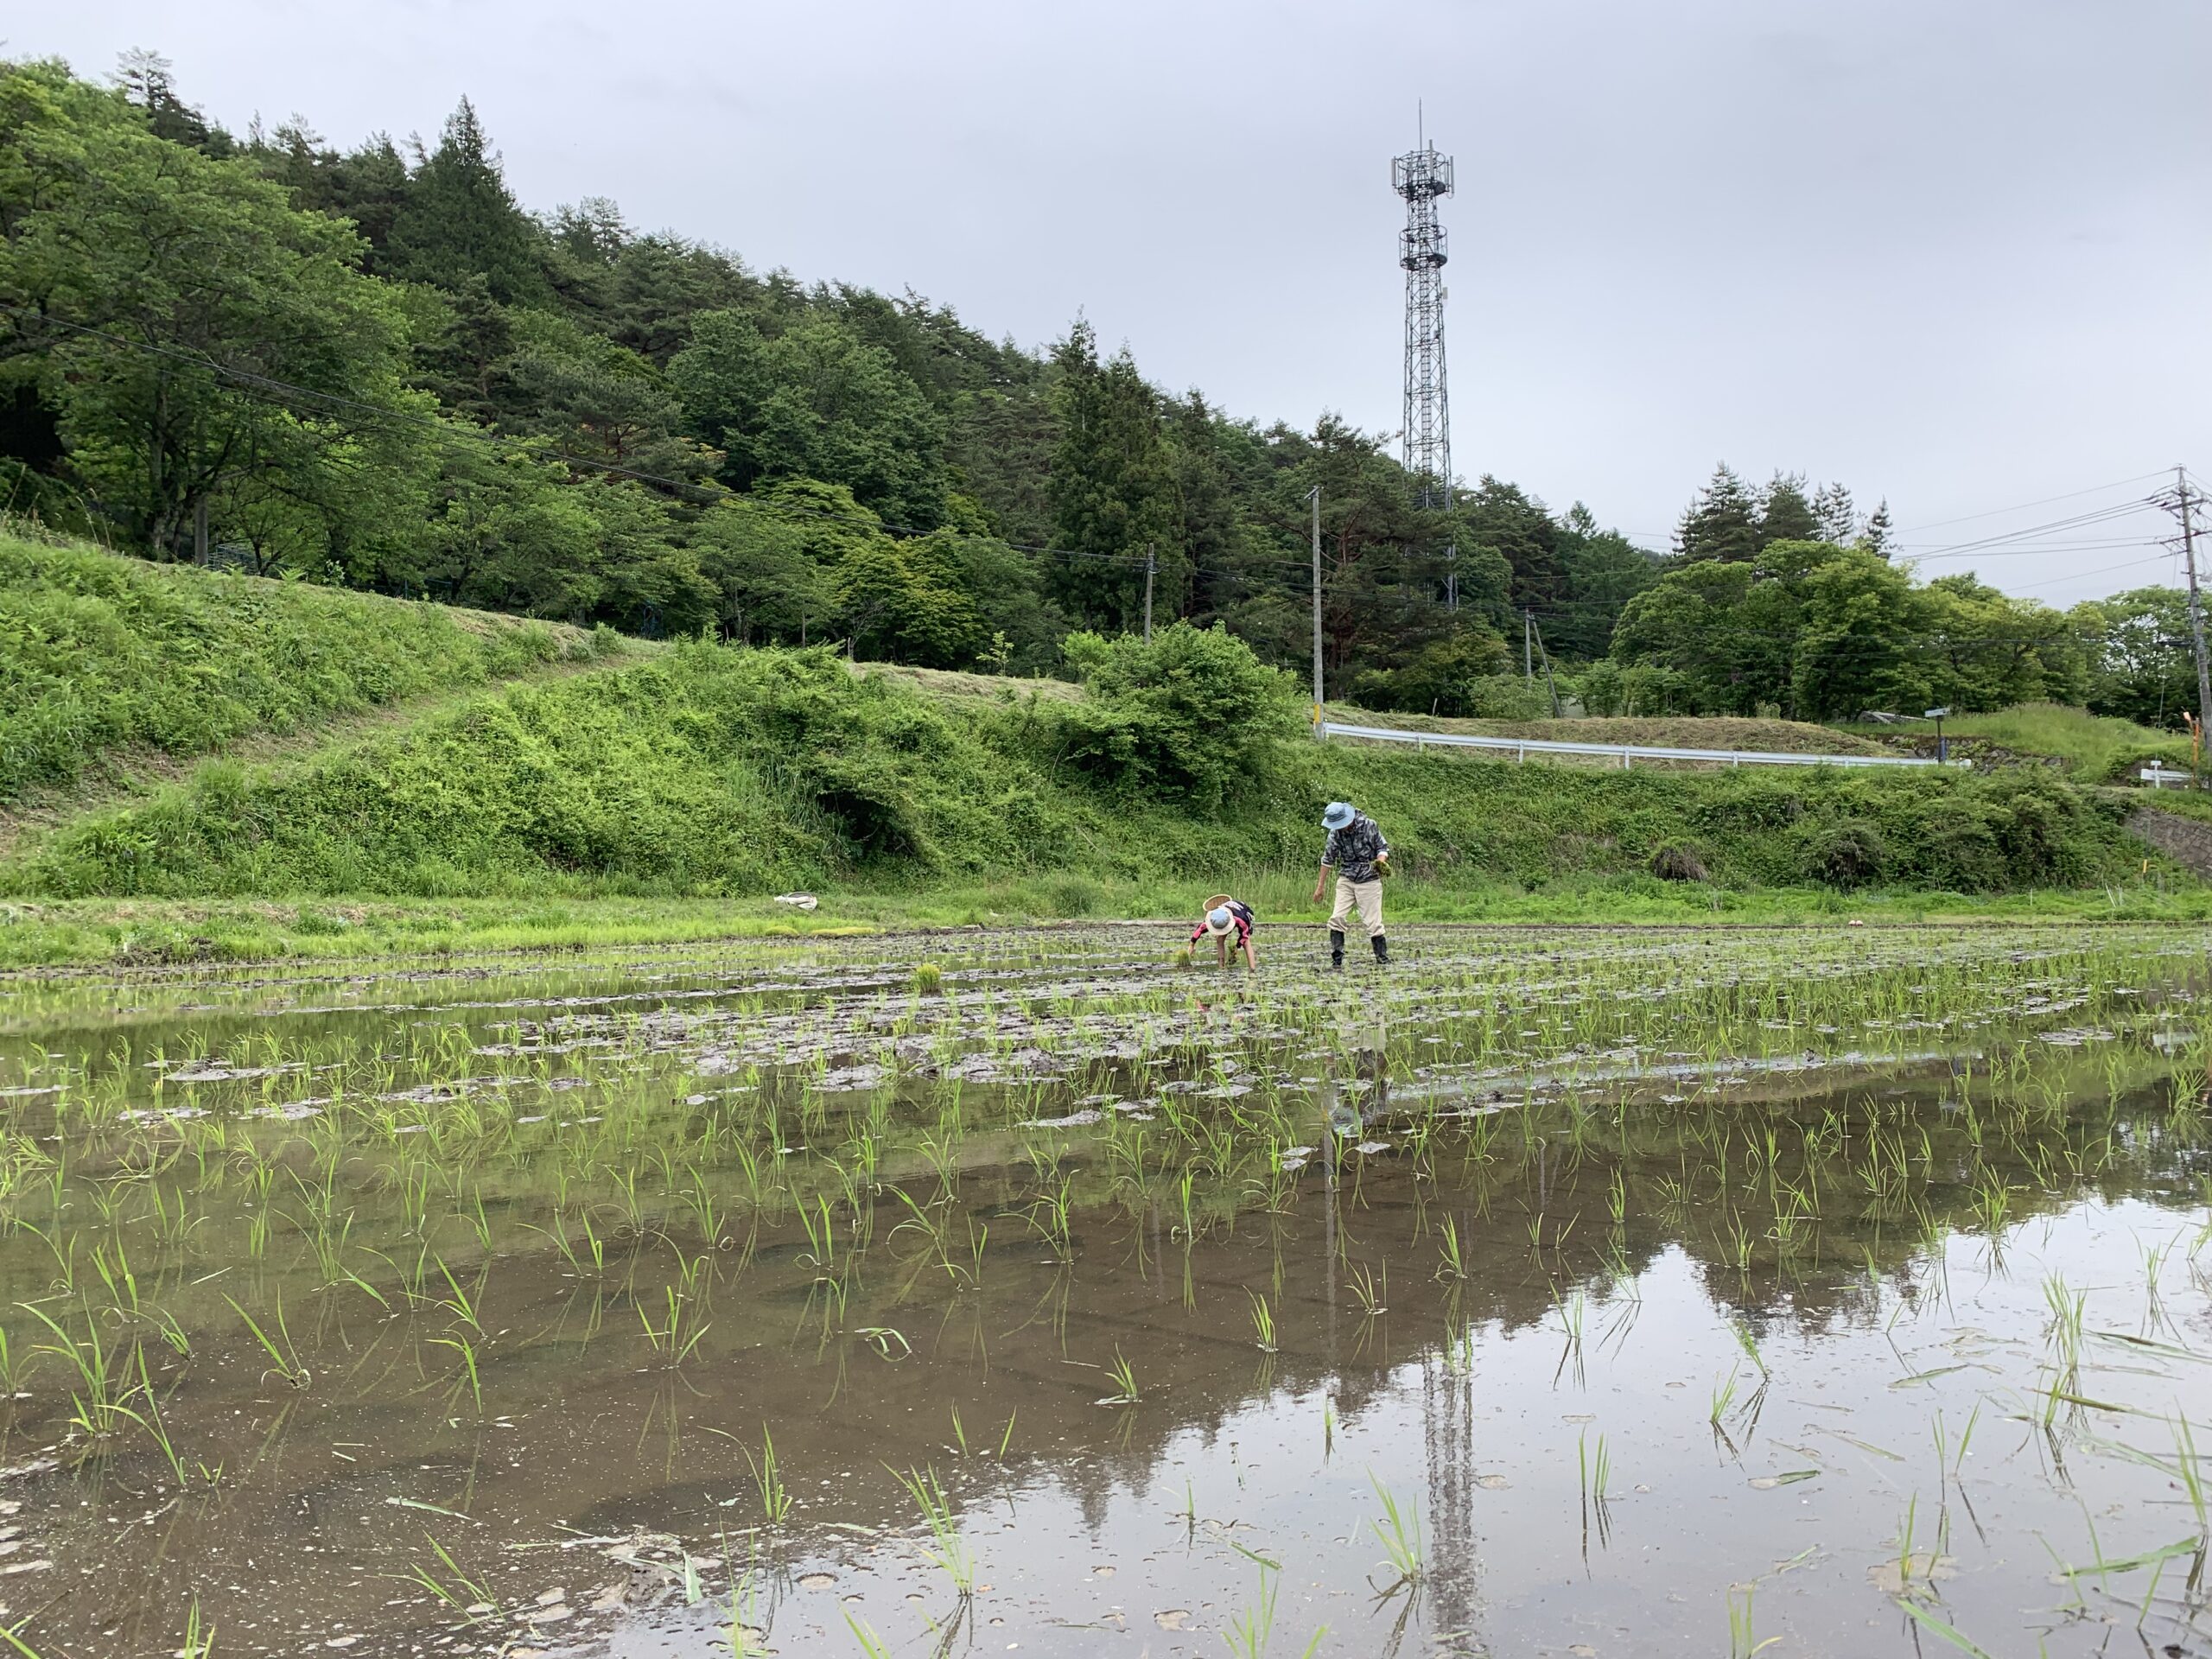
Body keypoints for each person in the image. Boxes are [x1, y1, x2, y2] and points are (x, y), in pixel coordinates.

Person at [1313, 802, 1390, 967]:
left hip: (1369, 877)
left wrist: (1380, 862)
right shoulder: (1335, 834)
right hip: (1347, 877)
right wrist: (1320, 886)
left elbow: (1382, 847)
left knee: (1373, 922)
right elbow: (1328, 860)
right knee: (1337, 917)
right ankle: (1337, 960)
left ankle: (1382, 959)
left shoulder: (1369, 825)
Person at [1192, 893, 1258, 971]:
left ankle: (1252, 969)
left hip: (1243, 911)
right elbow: (1199, 929)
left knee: (1246, 942)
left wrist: (1237, 947)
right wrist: (1191, 945)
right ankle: (1221, 967)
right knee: (1219, 939)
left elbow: (1244, 935)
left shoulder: (1242, 920)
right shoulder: (1213, 918)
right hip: (1224, 912)